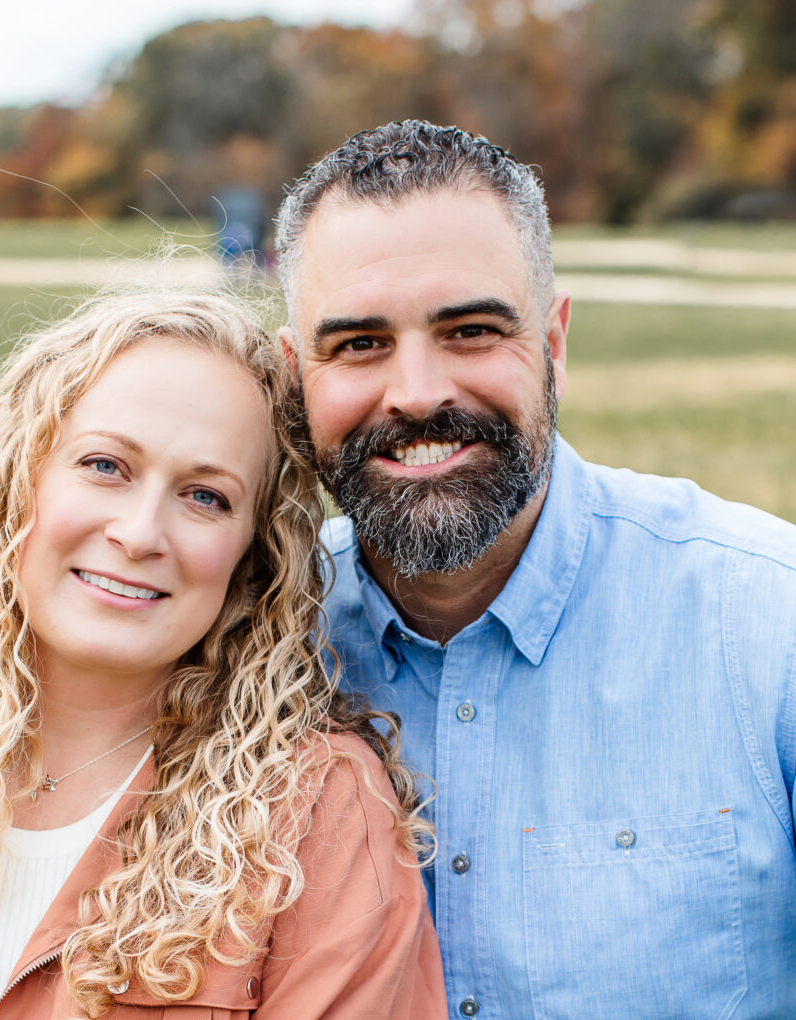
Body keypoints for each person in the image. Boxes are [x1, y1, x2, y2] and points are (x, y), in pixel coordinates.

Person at [0, 293, 445, 1018]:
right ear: (14, 483)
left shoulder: (319, 825)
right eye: (105, 465)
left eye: (206, 497)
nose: (139, 532)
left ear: (255, 557)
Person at [274, 119, 796, 1019]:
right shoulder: (242, 651)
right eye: (358, 344)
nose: (417, 392)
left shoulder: (764, 627)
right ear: (295, 377)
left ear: (553, 344)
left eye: (471, 330)